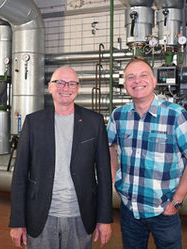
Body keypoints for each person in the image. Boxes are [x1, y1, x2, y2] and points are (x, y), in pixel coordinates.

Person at [9, 66, 113, 249]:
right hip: (40, 216)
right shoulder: (33, 122)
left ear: (78, 88)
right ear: (50, 87)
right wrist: (17, 221)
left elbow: (104, 175)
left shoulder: (94, 122)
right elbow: (19, 175)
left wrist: (104, 219)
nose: (66, 88)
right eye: (60, 83)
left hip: (81, 216)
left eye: (72, 83)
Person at [107, 57, 187, 249]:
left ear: (153, 81)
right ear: (125, 84)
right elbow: (108, 147)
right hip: (129, 209)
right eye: (131, 77)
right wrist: (115, 178)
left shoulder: (174, 114)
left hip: (163, 211)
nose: (137, 81)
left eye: (143, 76)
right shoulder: (118, 115)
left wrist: (176, 202)